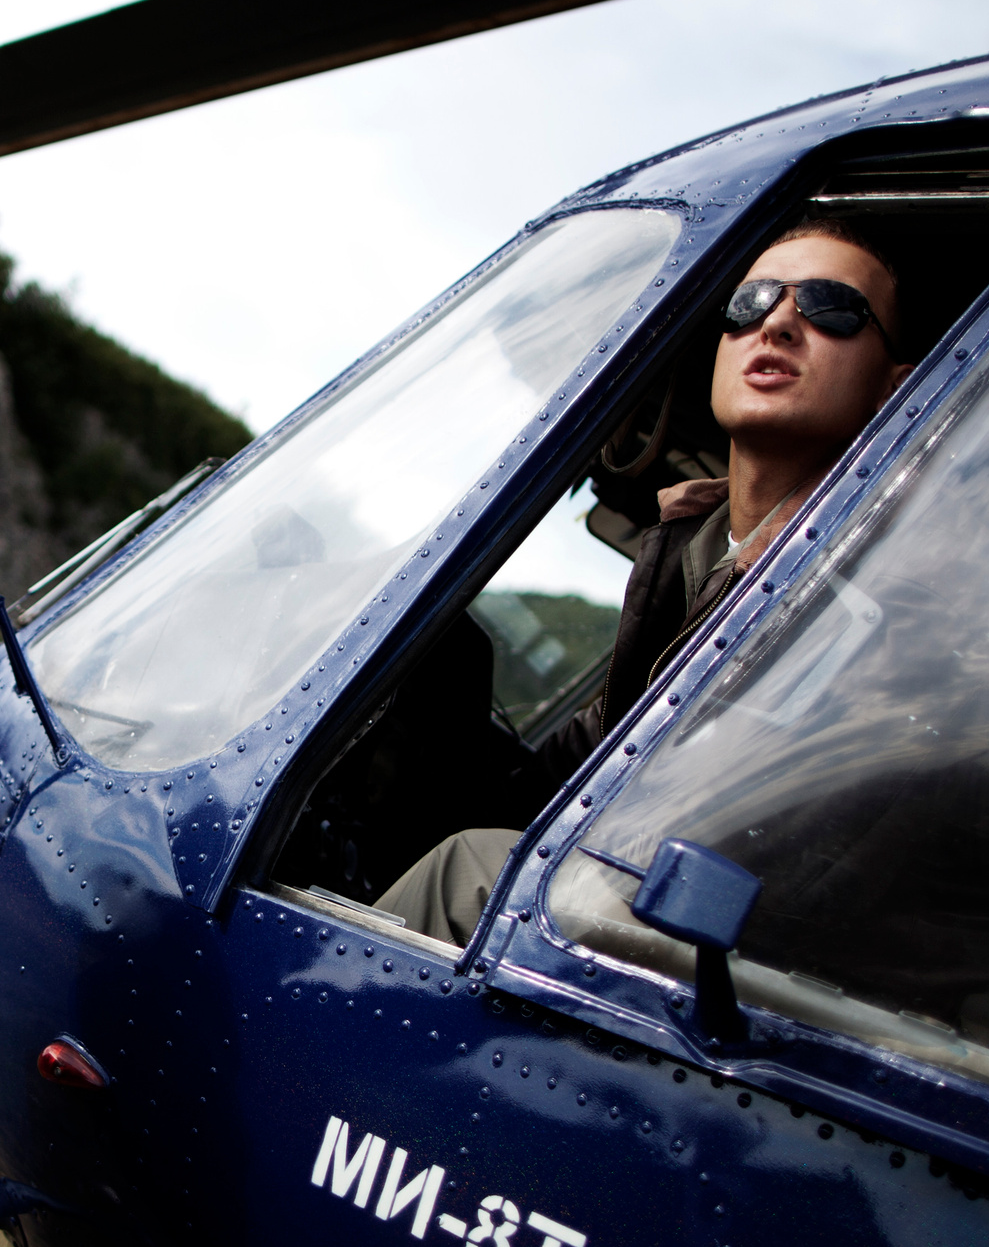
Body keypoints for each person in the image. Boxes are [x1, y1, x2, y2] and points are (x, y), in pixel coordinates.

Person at [374, 220, 913, 945]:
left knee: (463, 874)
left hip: (724, 942)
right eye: (752, 302)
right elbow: (576, 763)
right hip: (633, 897)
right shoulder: (692, 552)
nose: (780, 322)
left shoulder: (867, 594)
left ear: (891, 387)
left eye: (830, 307)